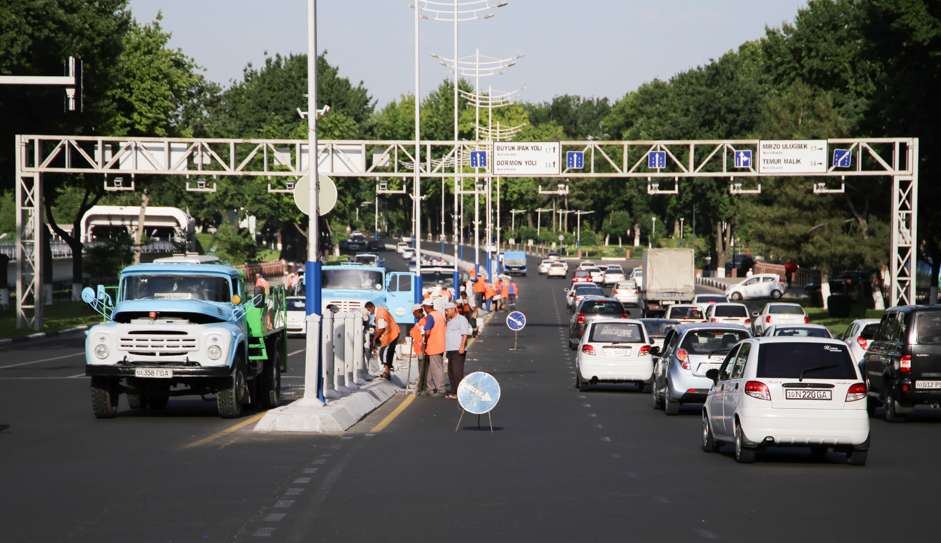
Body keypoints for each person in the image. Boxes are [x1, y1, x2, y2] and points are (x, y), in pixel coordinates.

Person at [365, 302, 400, 380]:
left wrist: (374, 339)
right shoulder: (380, 311)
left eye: (369, 310)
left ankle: (387, 372)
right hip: (390, 334)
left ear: (372, 307)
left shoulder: (380, 314)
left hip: (391, 335)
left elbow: (381, 329)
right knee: (387, 353)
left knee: (384, 353)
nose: (369, 312)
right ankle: (387, 371)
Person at [444, 302, 472, 400]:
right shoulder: (449, 320)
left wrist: (461, 347)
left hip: (458, 349)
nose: (446, 312)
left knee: (457, 372)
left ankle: (460, 393)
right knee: (451, 372)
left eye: (447, 310)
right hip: (450, 349)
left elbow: (464, 334)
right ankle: (454, 391)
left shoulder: (462, 319)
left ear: (453, 309)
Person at [421, 299, 448, 397]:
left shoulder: (430, 316)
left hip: (434, 345)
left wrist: (424, 342)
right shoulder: (439, 315)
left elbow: (427, 332)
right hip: (440, 344)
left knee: (436, 368)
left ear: (426, 307)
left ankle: (441, 389)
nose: (423, 309)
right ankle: (430, 388)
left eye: (423, 307)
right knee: (432, 368)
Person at [408, 304, 428, 393]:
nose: (413, 315)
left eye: (413, 313)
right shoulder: (421, 321)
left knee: (423, 369)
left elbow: (423, 335)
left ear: (417, 312)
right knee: (421, 369)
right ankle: (422, 386)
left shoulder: (423, 321)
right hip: (419, 349)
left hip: (421, 349)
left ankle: (422, 387)